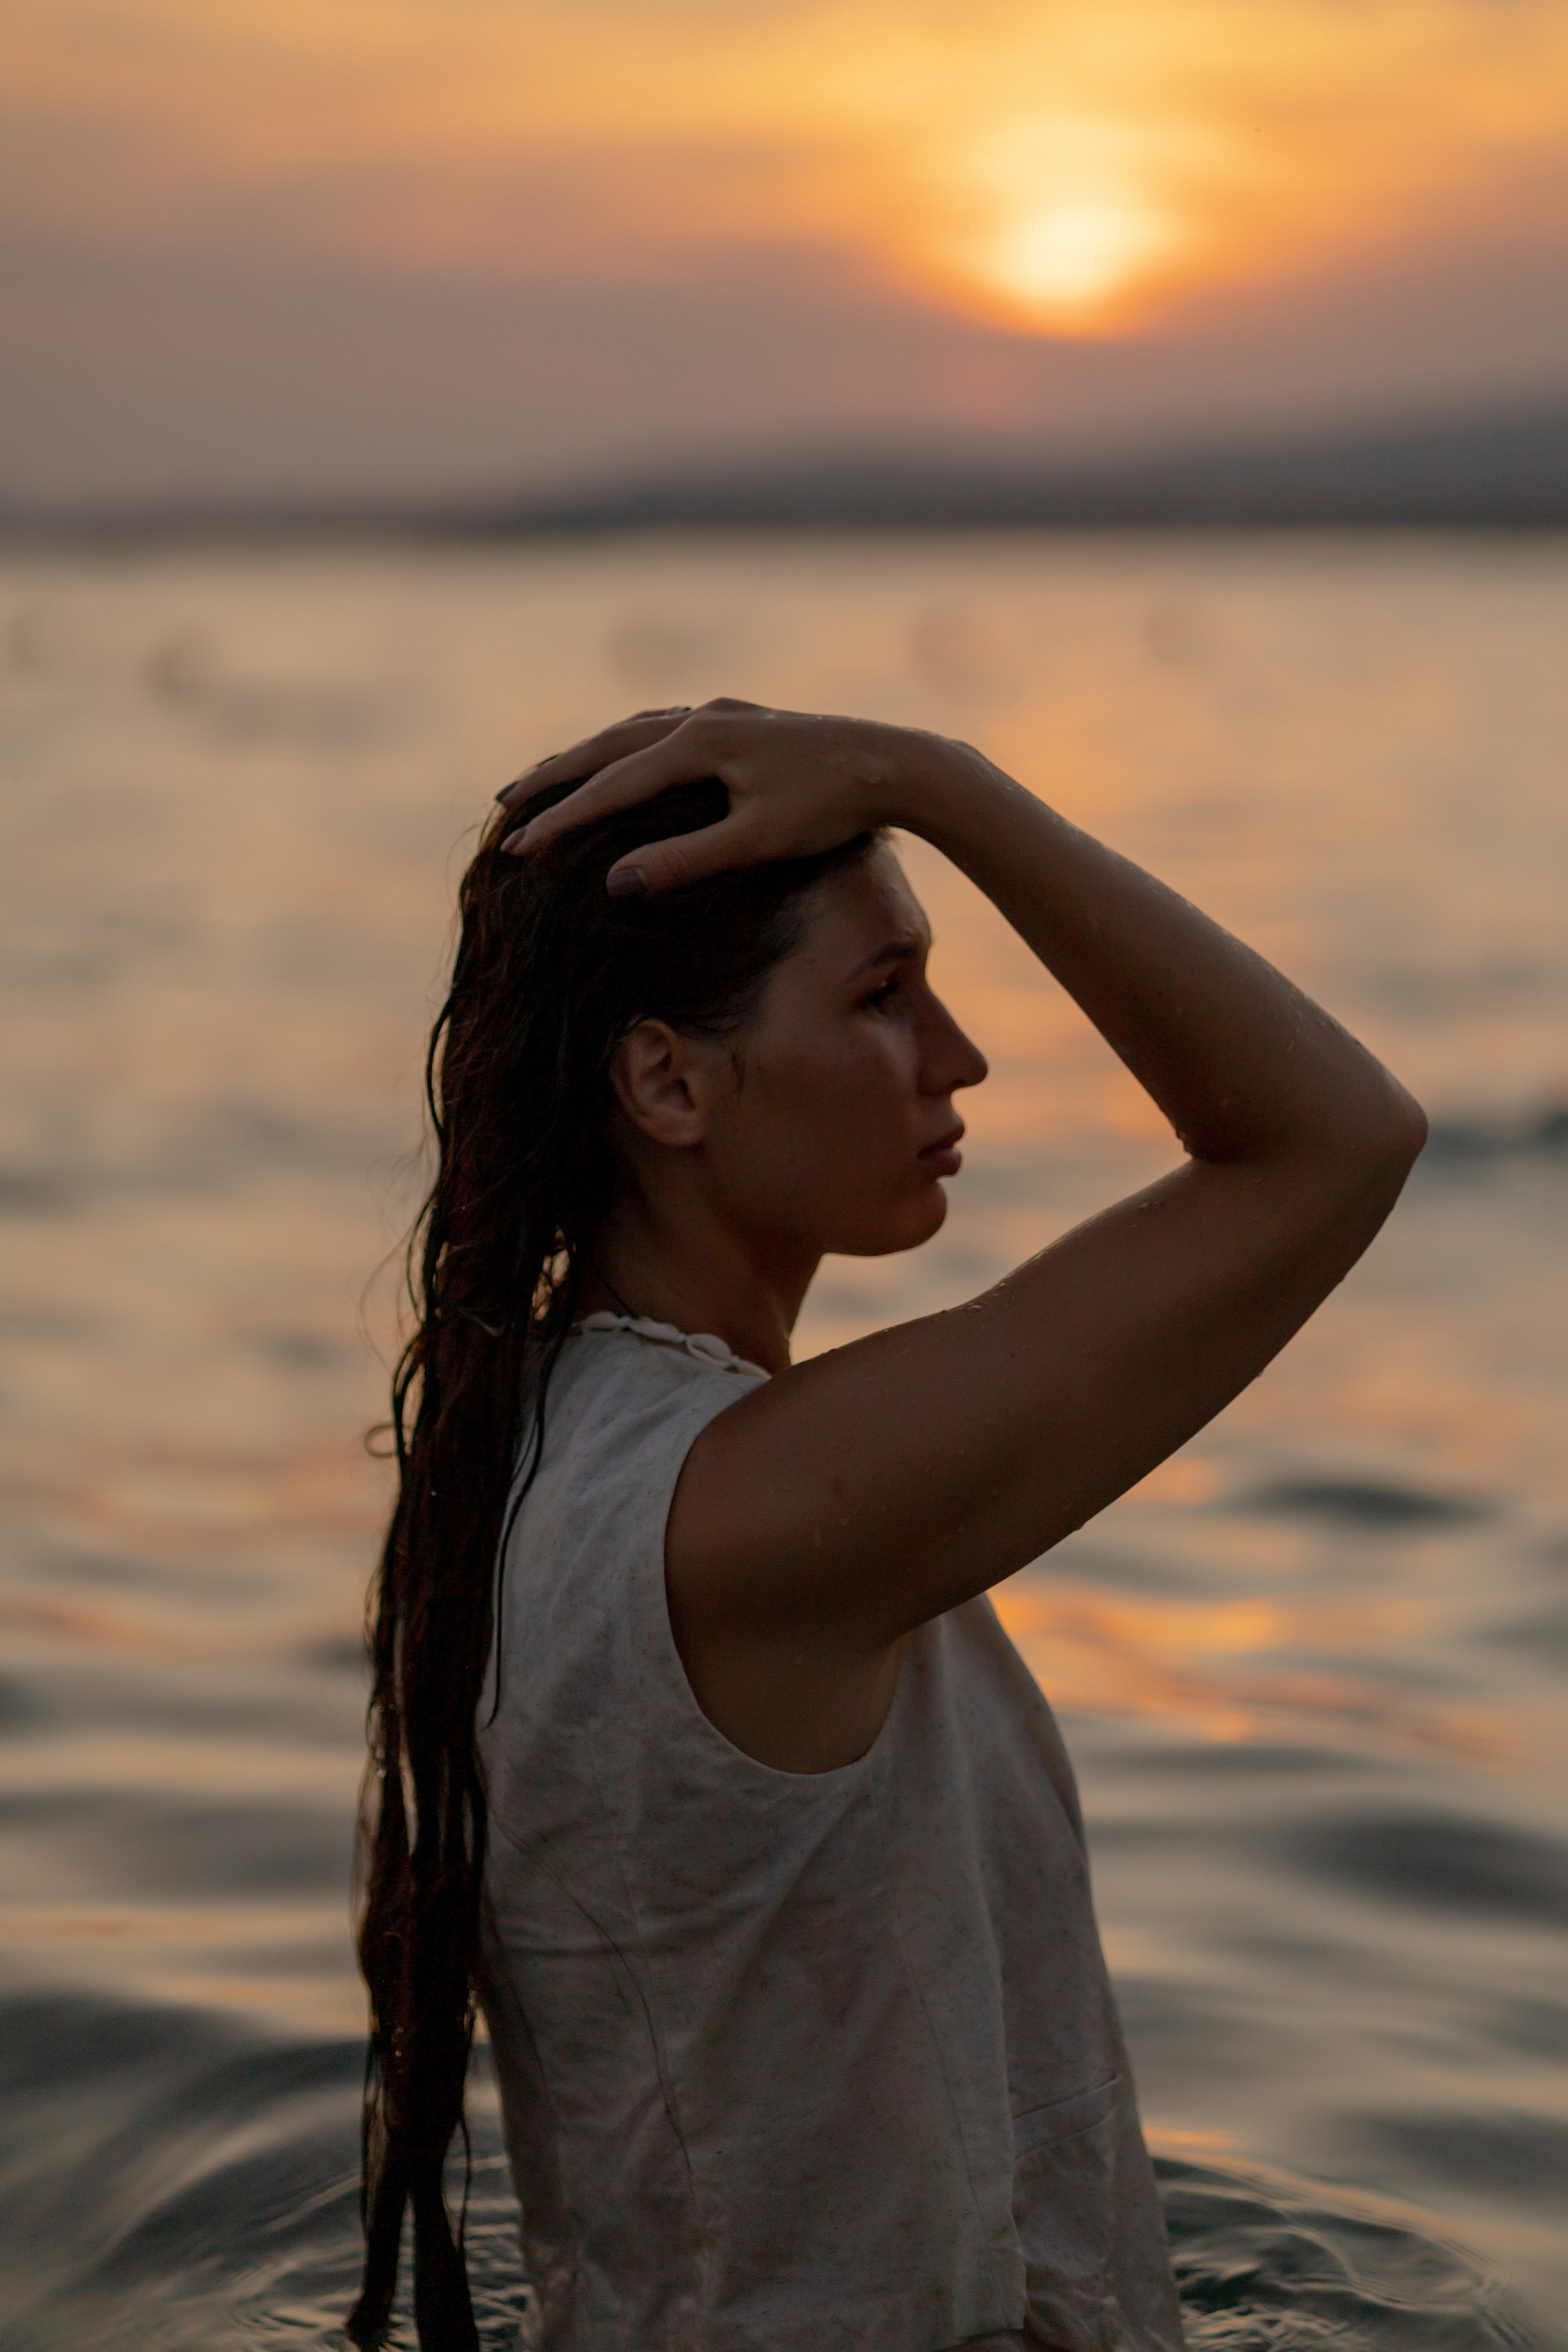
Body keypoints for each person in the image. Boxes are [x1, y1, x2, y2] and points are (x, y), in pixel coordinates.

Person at [348, 700, 1426, 2352]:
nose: (960, 1054)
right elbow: (1333, 1140)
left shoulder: (549, 1449)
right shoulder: (757, 1510)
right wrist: (943, 783)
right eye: (880, 993)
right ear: (668, 1082)